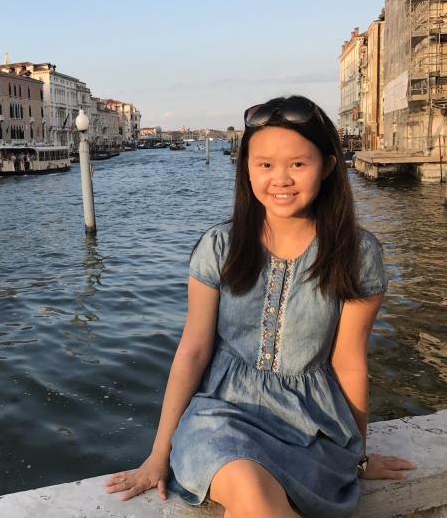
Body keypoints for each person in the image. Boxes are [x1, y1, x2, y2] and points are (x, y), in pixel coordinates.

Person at [104, 96, 414, 517]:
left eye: (297, 164)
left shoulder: (357, 255)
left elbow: (350, 362)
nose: (280, 179)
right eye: (265, 164)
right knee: (250, 491)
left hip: (313, 426)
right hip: (222, 414)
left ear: (326, 165)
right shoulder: (220, 247)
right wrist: (159, 454)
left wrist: (358, 456)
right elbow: (193, 351)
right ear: (246, 167)